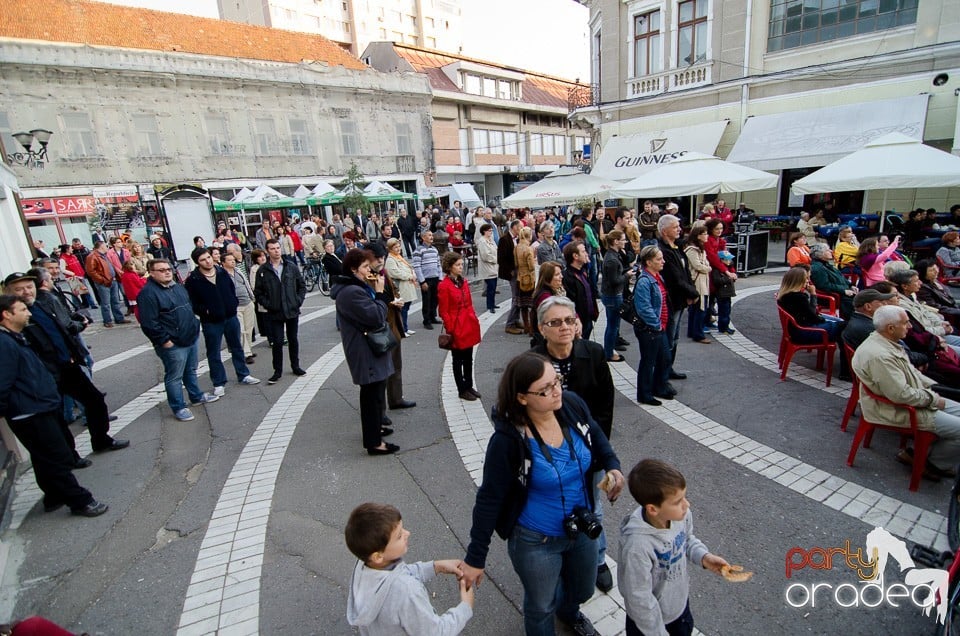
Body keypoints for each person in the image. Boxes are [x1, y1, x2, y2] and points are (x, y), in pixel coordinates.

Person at [460, 352, 625, 636]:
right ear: (522, 398)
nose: (556, 391)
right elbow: (489, 499)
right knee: (540, 605)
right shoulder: (508, 441)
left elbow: (595, 433)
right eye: (545, 389)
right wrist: (475, 558)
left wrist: (612, 465)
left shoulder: (571, 405)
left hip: (581, 528)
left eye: (557, 381)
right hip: (536, 540)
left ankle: (569, 612)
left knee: (583, 589)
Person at [532, 296, 616, 593]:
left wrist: (597, 450)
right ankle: (565, 554)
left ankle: (598, 558)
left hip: (587, 447)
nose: (564, 328)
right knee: (560, 504)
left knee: (593, 504)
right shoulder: (534, 361)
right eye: (555, 323)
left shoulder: (593, 353)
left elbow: (605, 407)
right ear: (543, 328)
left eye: (569, 320)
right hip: (550, 451)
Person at [0, 294, 109, 517]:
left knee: (44, 456)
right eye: (22, 309)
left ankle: (53, 496)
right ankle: (80, 501)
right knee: (57, 456)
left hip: (39, 406)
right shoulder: (4, 344)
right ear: (6, 315)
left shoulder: (15, 337)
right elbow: (3, 384)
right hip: (29, 412)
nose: (28, 313)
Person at [6, 270, 128, 456]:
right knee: (57, 417)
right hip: (45, 375)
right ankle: (71, 456)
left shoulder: (40, 305)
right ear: (9, 292)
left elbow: (60, 331)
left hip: (66, 365)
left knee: (95, 400)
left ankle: (101, 440)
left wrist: (74, 354)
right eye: (19, 289)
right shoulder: (14, 318)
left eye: (29, 287)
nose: (26, 292)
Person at [619, 459, 730, 636]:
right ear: (653, 509)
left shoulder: (681, 516)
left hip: (679, 608)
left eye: (684, 497)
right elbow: (639, 598)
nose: (687, 505)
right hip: (647, 624)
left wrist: (703, 557)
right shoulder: (637, 547)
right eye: (678, 501)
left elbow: (685, 540)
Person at [852, 306, 960, 481]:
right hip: (897, 409)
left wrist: (937, 388)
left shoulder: (888, 342)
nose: (910, 326)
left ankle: (920, 454)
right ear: (891, 328)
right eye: (906, 323)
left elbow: (914, 374)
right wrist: (933, 399)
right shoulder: (881, 356)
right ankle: (932, 463)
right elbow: (900, 395)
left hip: (914, 399)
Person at [345, 502, 473, 634]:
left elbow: (396, 574)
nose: (408, 533)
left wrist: (435, 566)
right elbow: (435, 632)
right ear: (378, 556)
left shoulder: (364, 565)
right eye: (399, 536)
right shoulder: (408, 593)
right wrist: (465, 607)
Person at [331, 249, 399, 455]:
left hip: (368, 347)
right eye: (364, 267)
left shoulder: (355, 287)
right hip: (364, 349)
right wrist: (379, 293)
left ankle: (376, 427)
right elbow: (376, 317)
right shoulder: (351, 292)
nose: (368, 270)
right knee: (371, 395)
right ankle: (374, 442)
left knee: (377, 391)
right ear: (353, 270)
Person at [137, 259, 220, 421]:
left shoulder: (177, 287)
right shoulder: (148, 294)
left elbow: (189, 307)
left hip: (190, 337)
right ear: (152, 273)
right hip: (172, 343)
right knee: (174, 376)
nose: (167, 272)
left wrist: (195, 326)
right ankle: (178, 407)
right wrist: (164, 341)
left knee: (191, 370)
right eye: (162, 270)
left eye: (168, 269)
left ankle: (196, 396)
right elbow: (149, 323)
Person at [185, 247, 260, 395]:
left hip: (230, 316)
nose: (207, 261)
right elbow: (192, 302)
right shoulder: (193, 280)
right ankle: (219, 382)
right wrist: (205, 311)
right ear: (197, 263)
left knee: (237, 347)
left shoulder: (221, 272)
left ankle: (243, 374)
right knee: (214, 352)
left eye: (208, 257)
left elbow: (231, 290)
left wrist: (232, 304)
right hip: (211, 321)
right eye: (203, 260)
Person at [254, 239, 307, 384]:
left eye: (278, 248)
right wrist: (268, 304)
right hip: (275, 311)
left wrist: (297, 301)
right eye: (273, 248)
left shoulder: (290, 266)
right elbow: (258, 292)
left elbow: (301, 286)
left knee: (293, 339)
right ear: (267, 251)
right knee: (277, 342)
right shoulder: (263, 270)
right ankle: (277, 370)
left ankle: (295, 366)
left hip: (291, 309)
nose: (276, 251)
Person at [657, 215, 698, 380]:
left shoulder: (677, 248)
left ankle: (669, 368)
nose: (679, 230)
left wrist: (691, 292)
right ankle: (663, 373)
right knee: (669, 338)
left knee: (674, 337)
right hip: (672, 301)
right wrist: (694, 293)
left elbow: (685, 272)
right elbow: (675, 278)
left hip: (681, 300)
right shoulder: (664, 251)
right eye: (675, 227)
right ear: (665, 231)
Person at [633, 246, 675, 406]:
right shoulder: (645, 281)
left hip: (659, 326)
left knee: (664, 358)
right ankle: (644, 393)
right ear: (649, 262)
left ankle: (659, 386)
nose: (662, 261)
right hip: (650, 328)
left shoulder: (657, 277)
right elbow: (644, 308)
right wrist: (656, 324)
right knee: (648, 361)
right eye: (659, 259)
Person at [438, 251, 482, 402]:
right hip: (457, 325)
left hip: (468, 323)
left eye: (461, 264)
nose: (461, 267)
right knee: (457, 359)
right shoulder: (444, 285)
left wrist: (473, 317)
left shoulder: (462, 281)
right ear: (449, 267)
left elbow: (469, 302)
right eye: (457, 265)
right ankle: (461, 389)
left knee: (468, 357)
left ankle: (469, 385)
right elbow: (443, 310)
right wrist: (451, 328)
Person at [601, 230, 631, 361]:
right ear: (615, 241)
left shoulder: (613, 255)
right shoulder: (612, 259)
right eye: (623, 239)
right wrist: (627, 276)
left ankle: (609, 351)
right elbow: (614, 280)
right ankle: (608, 353)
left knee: (612, 325)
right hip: (613, 296)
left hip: (612, 295)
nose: (625, 242)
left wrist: (625, 271)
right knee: (613, 326)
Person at [222, 251, 256, 364]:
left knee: (249, 328)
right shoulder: (221, 275)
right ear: (223, 263)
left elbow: (246, 284)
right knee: (241, 330)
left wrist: (252, 297)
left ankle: (248, 349)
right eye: (230, 260)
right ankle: (245, 353)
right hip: (235, 306)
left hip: (247, 302)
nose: (233, 262)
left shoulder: (238, 271)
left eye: (233, 260)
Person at [84, 240, 128, 327]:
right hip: (104, 282)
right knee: (106, 303)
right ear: (101, 247)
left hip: (112, 280)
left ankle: (119, 318)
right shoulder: (92, 256)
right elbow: (91, 271)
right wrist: (102, 280)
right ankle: (107, 320)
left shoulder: (104, 255)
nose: (107, 247)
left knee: (115, 301)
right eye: (106, 246)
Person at [561, 241, 599, 341]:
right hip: (579, 321)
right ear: (575, 256)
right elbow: (570, 302)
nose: (586, 253)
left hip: (588, 319)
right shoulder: (567, 277)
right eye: (583, 251)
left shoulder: (583, 272)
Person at [809, 243, 857, 319]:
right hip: (833, 295)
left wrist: (851, 285)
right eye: (828, 250)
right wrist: (844, 291)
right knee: (857, 302)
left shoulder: (825, 264)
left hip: (840, 292)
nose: (831, 251)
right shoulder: (817, 268)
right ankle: (850, 323)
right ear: (820, 254)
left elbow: (840, 276)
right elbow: (824, 286)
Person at [683, 225, 712, 345]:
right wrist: (708, 268)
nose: (707, 236)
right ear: (698, 236)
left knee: (696, 309)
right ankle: (698, 334)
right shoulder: (692, 250)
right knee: (700, 308)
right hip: (698, 282)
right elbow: (698, 266)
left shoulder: (701, 249)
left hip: (702, 281)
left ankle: (693, 331)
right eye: (704, 234)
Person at [384, 238, 418, 336]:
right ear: (390, 249)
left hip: (407, 286)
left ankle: (405, 328)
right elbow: (395, 272)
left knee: (406, 308)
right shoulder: (391, 259)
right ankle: (402, 329)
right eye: (396, 247)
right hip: (401, 287)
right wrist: (409, 276)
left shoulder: (398, 257)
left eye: (399, 246)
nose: (398, 248)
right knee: (402, 309)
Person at [915, 258, 960, 328]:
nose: (936, 271)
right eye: (931, 270)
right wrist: (957, 311)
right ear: (923, 273)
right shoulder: (922, 288)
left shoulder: (935, 281)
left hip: (953, 308)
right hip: (947, 315)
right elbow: (935, 307)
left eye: (936, 268)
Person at [499, 220, 524, 335]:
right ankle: (510, 324)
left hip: (519, 271)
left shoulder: (518, 239)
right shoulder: (504, 239)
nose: (521, 230)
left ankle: (516, 320)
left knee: (519, 296)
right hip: (512, 272)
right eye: (520, 227)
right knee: (515, 298)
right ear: (514, 227)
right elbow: (501, 258)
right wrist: (511, 271)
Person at [412, 231, 441, 330]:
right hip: (426, 279)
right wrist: (422, 281)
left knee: (435, 299)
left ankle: (433, 317)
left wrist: (440, 278)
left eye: (432, 235)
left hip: (435, 278)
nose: (432, 237)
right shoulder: (419, 250)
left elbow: (438, 264)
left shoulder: (434, 250)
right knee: (427, 300)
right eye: (429, 235)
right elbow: (417, 266)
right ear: (423, 237)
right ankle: (426, 320)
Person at [515, 227, 537, 335]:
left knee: (523, 305)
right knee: (532, 305)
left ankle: (526, 326)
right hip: (529, 278)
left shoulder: (517, 247)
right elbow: (532, 266)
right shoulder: (529, 249)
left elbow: (515, 263)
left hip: (520, 277)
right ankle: (532, 329)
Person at [711, 251, 737, 335]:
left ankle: (726, 326)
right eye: (727, 259)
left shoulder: (728, 269)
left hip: (728, 293)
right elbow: (717, 281)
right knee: (723, 312)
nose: (729, 261)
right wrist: (729, 278)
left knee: (727, 311)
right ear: (721, 260)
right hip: (722, 293)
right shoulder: (717, 270)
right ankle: (723, 328)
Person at [476, 223, 499, 314]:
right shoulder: (482, 241)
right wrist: (496, 259)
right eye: (489, 230)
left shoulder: (491, 240)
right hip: (488, 267)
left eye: (491, 230)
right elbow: (485, 256)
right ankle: (490, 305)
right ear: (484, 231)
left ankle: (493, 304)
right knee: (490, 287)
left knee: (493, 288)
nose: (491, 232)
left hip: (493, 267)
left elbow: (495, 250)